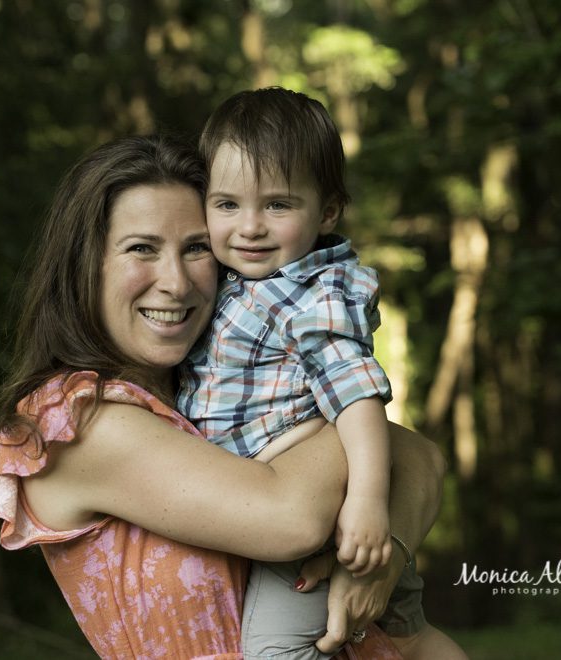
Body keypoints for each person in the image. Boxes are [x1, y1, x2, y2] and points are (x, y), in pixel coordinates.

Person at [0, 134, 446, 659]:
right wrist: (348, 422)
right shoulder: (78, 422)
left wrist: (382, 564)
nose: (176, 283)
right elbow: (293, 518)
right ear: (84, 264)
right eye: (142, 248)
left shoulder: (215, 396)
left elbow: (423, 460)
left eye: (196, 248)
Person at [177, 87, 466, 660]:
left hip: (327, 511)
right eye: (227, 205)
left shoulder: (314, 293)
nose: (250, 227)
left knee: (274, 651)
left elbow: (357, 396)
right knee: (408, 637)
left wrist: (365, 505)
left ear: (327, 211)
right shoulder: (238, 283)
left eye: (278, 205)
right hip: (287, 497)